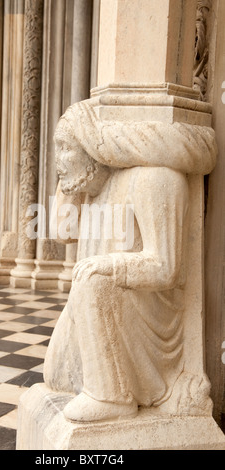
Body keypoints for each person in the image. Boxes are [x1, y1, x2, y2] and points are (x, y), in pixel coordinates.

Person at [43, 98, 217, 423]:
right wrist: (70, 180)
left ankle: (113, 395)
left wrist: (110, 266)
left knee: (93, 280)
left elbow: (165, 267)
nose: (58, 159)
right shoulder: (98, 188)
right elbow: (61, 230)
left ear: (94, 149)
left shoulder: (154, 179)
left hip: (148, 317)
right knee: (58, 374)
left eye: (66, 148)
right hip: (106, 303)